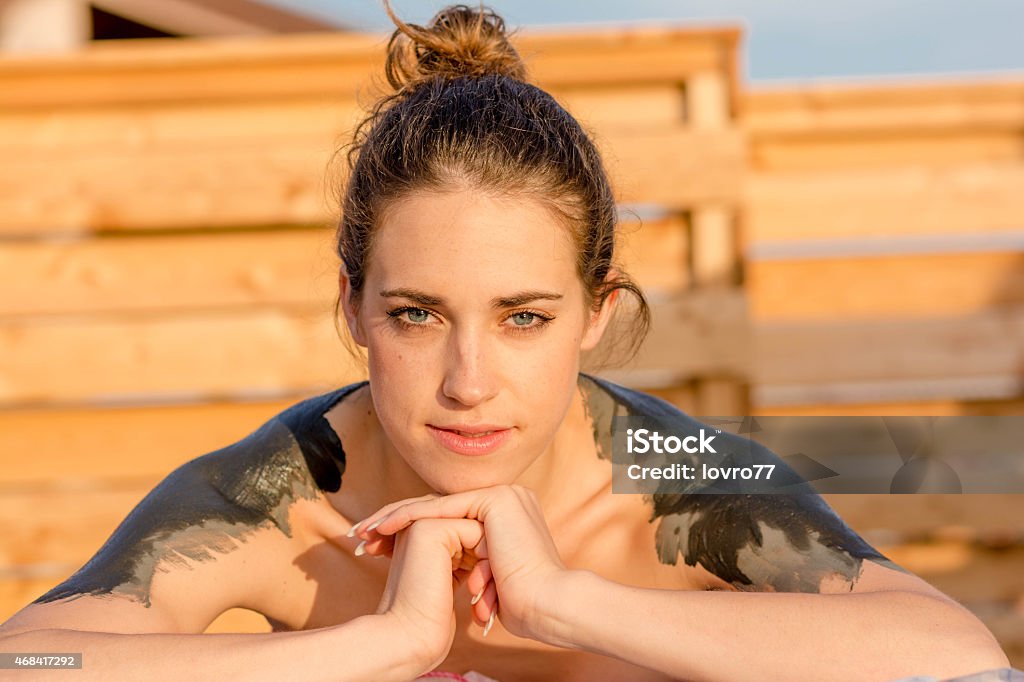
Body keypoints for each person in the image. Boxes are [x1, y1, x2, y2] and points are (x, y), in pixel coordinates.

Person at [0, 3, 1012, 680]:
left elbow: (955, 656)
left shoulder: (671, 480)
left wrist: (565, 602)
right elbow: (30, 664)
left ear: (595, 315)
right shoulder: (283, 496)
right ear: (351, 308)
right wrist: (376, 640)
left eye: (523, 316)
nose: (468, 382)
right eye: (417, 315)